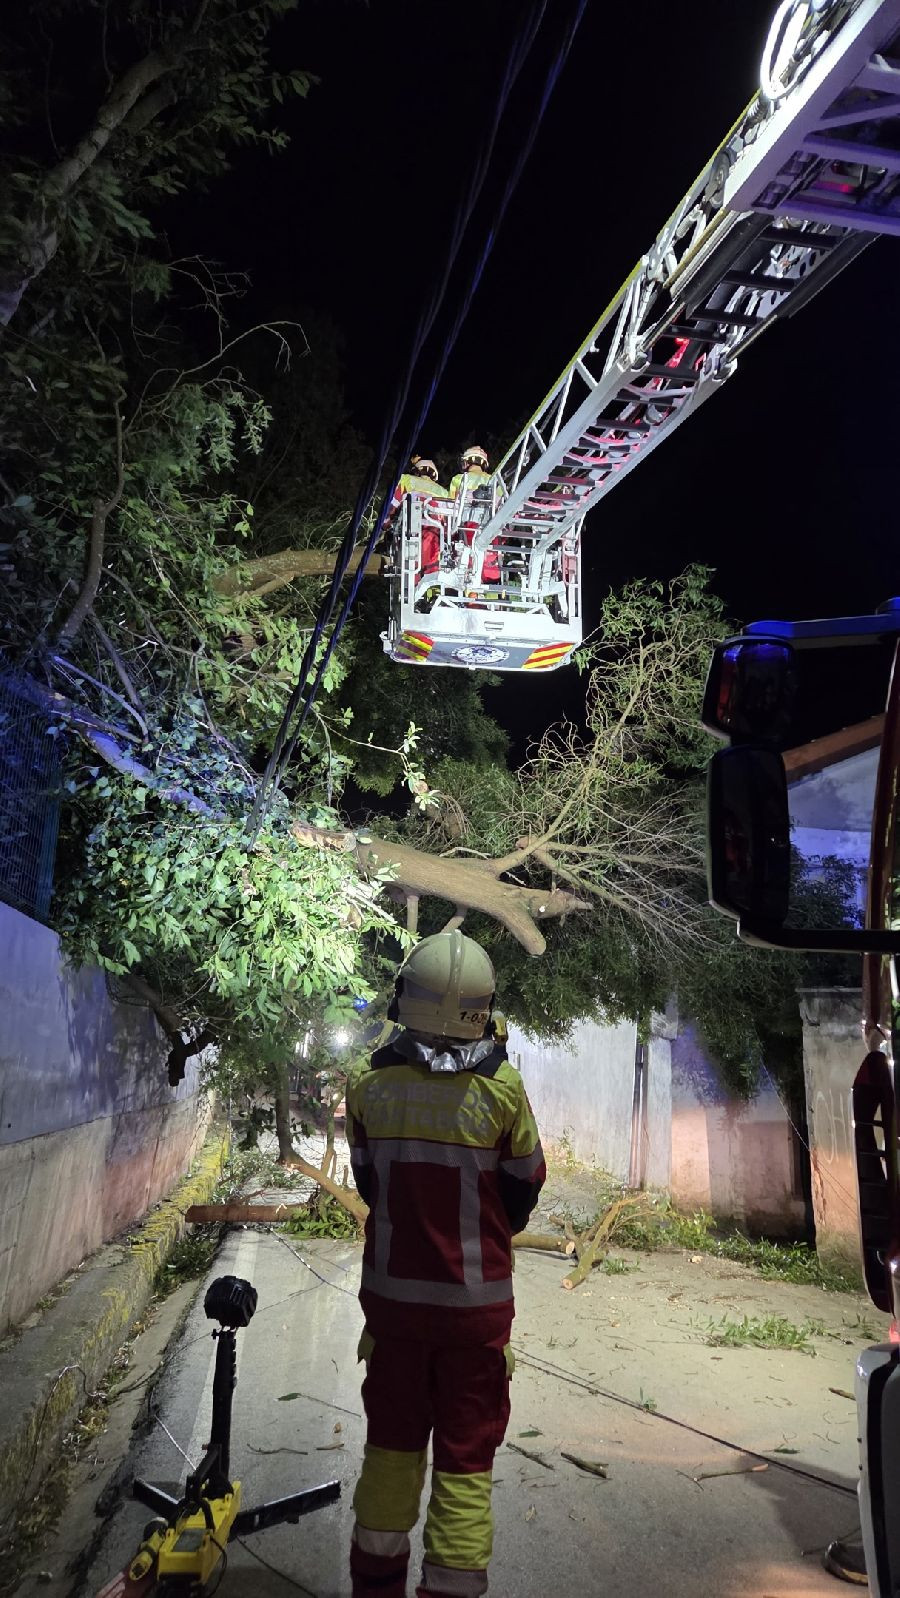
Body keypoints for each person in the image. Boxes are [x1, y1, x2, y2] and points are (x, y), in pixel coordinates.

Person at [346, 930, 545, 1598]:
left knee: (390, 1453)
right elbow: (523, 1189)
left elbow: (371, 1184)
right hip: (474, 1321)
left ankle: (376, 1586)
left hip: (394, 1315)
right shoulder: (503, 1091)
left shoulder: (370, 1084)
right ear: (481, 1010)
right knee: (465, 1466)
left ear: (406, 999)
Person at [384, 456, 450, 582]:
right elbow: (447, 521)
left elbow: (392, 505)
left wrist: (385, 524)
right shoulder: (443, 492)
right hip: (435, 537)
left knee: (411, 576)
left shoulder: (406, 480)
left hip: (411, 533)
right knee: (431, 576)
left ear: (416, 471)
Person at [449, 445, 501, 584]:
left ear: (466, 462)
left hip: (466, 527)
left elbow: (451, 505)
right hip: (492, 529)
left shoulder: (458, 479)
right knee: (490, 561)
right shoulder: (495, 480)